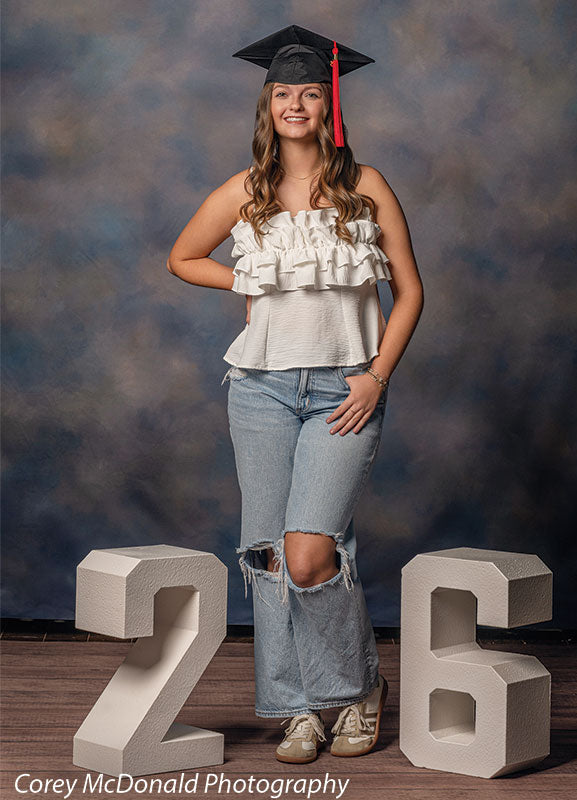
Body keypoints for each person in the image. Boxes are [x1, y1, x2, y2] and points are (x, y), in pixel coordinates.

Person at [167, 24, 423, 764]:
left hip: (345, 391)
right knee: (270, 555)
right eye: (285, 92)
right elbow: (184, 258)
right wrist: (246, 279)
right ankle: (297, 710)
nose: (297, 103)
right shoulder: (246, 192)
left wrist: (377, 376)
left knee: (312, 552)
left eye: (312, 91)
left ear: (330, 102)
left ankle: (355, 690)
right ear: (267, 104)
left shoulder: (366, 186)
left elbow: (409, 293)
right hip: (261, 390)